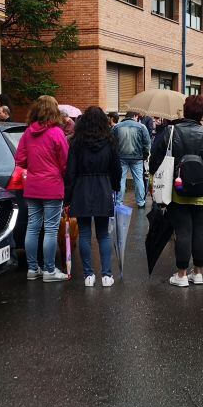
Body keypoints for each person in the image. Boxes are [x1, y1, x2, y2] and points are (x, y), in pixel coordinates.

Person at [150, 96, 203, 288]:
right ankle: (197, 273)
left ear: (185, 110)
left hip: (177, 190)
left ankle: (181, 275)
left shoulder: (171, 132)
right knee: (200, 231)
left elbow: (155, 160)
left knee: (183, 232)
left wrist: (153, 182)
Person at [14, 95, 71, 282]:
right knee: (51, 229)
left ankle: (32, 269)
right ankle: (49, 270)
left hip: (32, 186)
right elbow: (65, 162)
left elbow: (20, 160)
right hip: (52, 186)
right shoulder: (56, 133)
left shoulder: (28, 133)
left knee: (32, 227)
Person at [65, 106, 121, 287]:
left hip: (81, 189)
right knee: (103, 234)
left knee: (84, 234)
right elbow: (117, 169)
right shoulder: (110, 141)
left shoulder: (76, 142)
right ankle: (106, 275)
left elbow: (70, 172)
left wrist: (68, 196)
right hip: (103, 187)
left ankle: (88, 275)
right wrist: (115, 186)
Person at [113, 111, 151, 208]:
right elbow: (147, 143)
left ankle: (119, 202)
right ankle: (140, 202)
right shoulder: (141, 127)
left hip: (121, 157)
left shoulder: (117, 127)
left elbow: (112, 143)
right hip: (137, 157)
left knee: (121, 180)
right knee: (139, 180)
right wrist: (145, 155)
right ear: (134, 116)